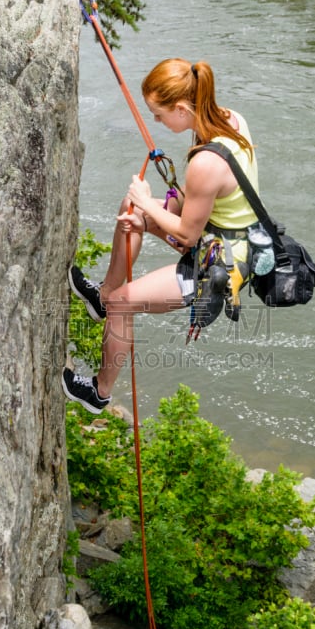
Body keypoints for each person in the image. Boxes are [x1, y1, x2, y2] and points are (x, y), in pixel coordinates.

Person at [62, 58, 260, 414]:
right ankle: (101, 298)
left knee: (126, 301)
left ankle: (99, 392)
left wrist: (148, 206)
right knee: (131, 208)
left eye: (159, 114)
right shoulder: (228, 119)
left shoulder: (205, 162)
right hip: (216, 234)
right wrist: (143, 211)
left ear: (183, 109)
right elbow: (201, 200)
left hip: (219, 265)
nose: (156, 122)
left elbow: (186, 234)